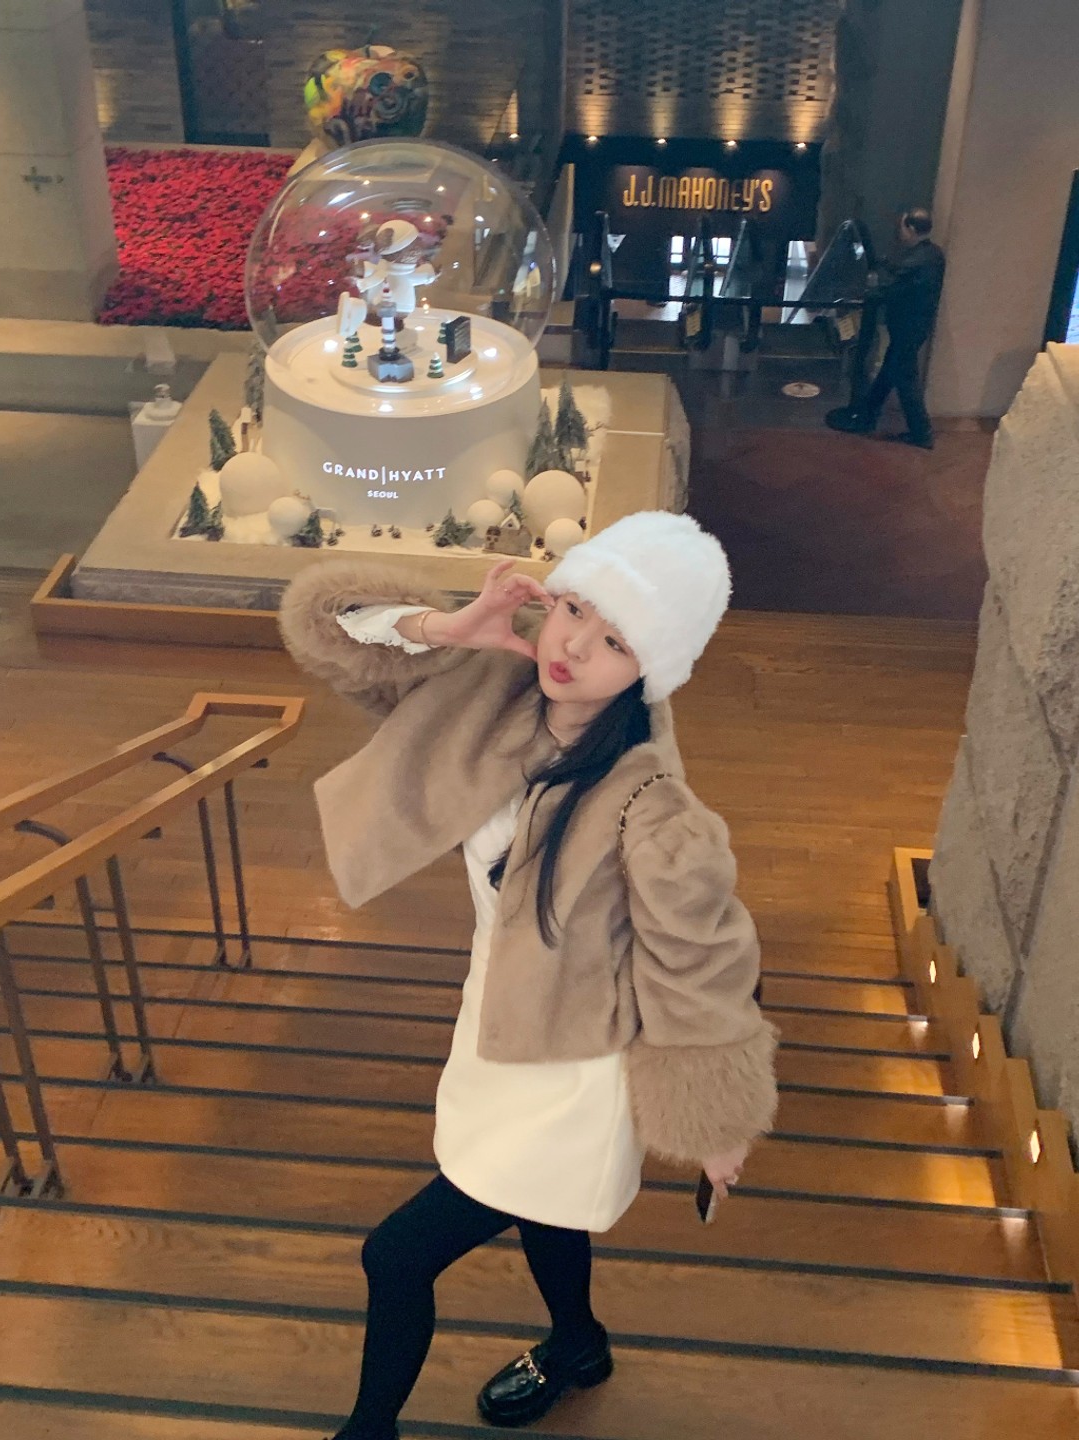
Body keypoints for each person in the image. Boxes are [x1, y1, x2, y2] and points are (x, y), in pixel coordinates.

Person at [278, 512, 779, 1440]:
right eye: (575, 609)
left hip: (573, 1078)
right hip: (496, 1025)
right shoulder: (497, 691)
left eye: (616, 640)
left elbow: (701, 963)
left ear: (651, 669)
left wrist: (718, 1123)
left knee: (396, 1257)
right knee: (547, 1219)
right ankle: (579, 1345)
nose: (574, 647)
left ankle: (368, 1431)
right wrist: (451, 626)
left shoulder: (653, 809)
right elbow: (328, 626)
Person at [826, 207, 946, 449]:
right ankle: (868, 415)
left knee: (905, 380)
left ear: (911, 228)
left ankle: (921, 433)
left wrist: (867, 293)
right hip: (912, 328)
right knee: (889, 373)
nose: (899, 232)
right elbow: (898, 270)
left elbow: (894, 284)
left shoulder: (919, 260)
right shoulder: (931, 254)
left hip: (907, 330)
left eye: (902, 227)